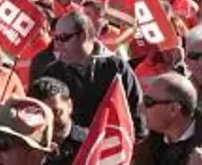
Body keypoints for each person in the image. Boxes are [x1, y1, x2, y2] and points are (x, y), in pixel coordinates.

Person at [34, 12, 144, 146]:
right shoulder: (52, 72)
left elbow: (137, 116)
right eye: (55, 38)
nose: (57, 45)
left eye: (63, 38)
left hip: (111, 153)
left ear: (84, 35)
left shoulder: (116, 67)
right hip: (68, 157)